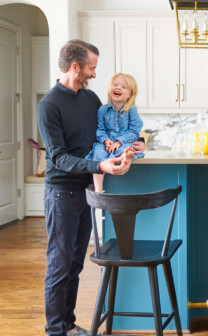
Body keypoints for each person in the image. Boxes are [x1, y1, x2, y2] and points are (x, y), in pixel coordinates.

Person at [37, 39, 145, 336]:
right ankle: (55, 330)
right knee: (59, 267)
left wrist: (135, 144)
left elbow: (109, 133)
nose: (95, 74)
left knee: (74, 265)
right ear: (75, 67)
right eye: (91, 68)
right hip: (61, 193)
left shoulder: (89, 98)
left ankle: (68, 325)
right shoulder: (49, 105)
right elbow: (58, 158)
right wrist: (99, 166)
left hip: (85, 192)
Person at [86, 73, 145, 193]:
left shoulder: (131, 110)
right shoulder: (102, 110)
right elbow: (100, 129)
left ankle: (126, 157)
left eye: (124, 87)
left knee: (127, 148)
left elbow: (134, 131)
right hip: (106, 144)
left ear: (130, 95)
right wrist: (106, 141)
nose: (118, 88)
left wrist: (119, 142)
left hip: (123, 143)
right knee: (98, 154)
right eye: (115, 85)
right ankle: (98, 190)